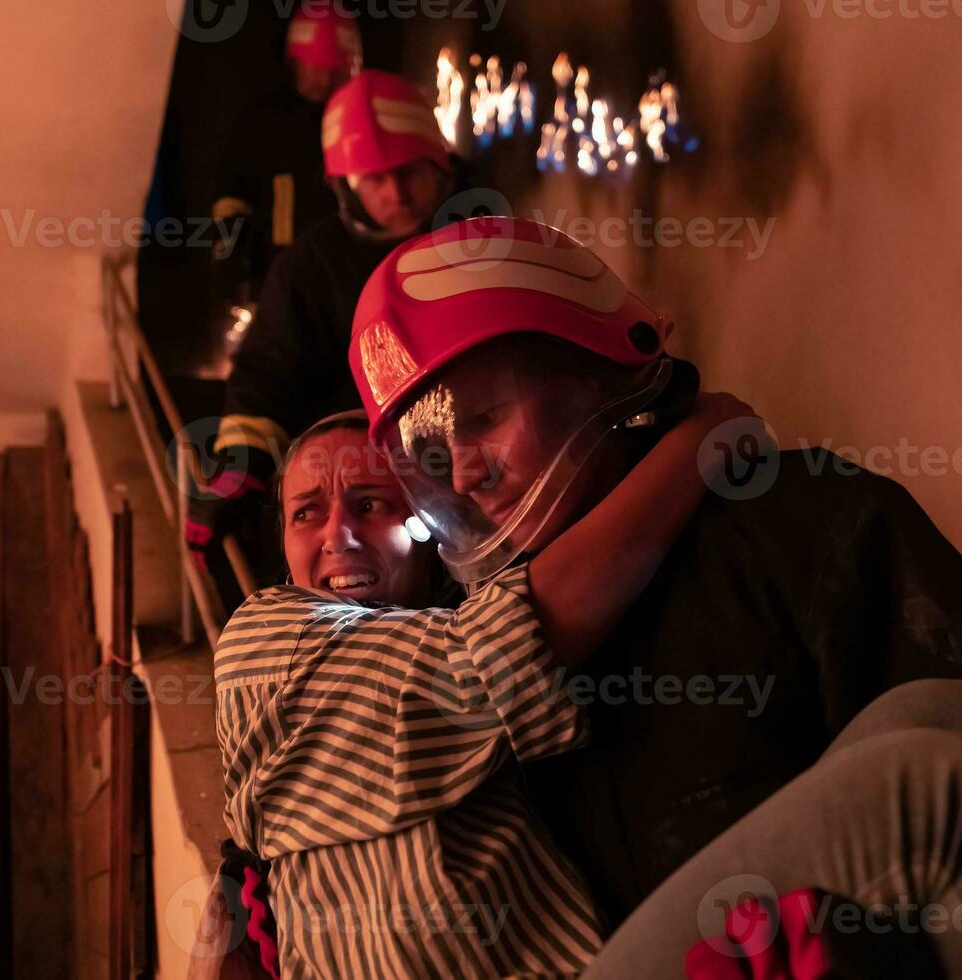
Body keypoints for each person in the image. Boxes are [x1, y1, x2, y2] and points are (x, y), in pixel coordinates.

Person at [341, 216, 962, 975]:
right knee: (935, 780)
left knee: (961, 730)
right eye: (430, 454)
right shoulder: (458, 650)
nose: (461, 469)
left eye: (483, 418)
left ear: (592, 369)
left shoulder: (797, 524)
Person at [212, 393, 751, 979]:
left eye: (370, 503)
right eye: (305, 514)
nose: (337, 535)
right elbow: (489, 656)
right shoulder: (262, 639)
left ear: (427, 525)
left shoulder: (446, 620)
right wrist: (704, 436)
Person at [187, 69, 459, 589]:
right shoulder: (312, 264)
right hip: (364, 489)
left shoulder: (482, 236)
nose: (396, 193)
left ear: (440, 166)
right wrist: (238, 466)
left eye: (409, 172)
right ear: (345, 187)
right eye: (376, 179)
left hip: (472, 480)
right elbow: (268, 369)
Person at [209, 6, 360, 310]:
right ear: (295, 62)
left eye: (335, 70)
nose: (325, 78)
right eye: (315, 67)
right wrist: (231, 252)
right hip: (278, 278)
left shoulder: (359, 121)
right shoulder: (263, 122)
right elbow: (232, 193)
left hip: (348, 277)